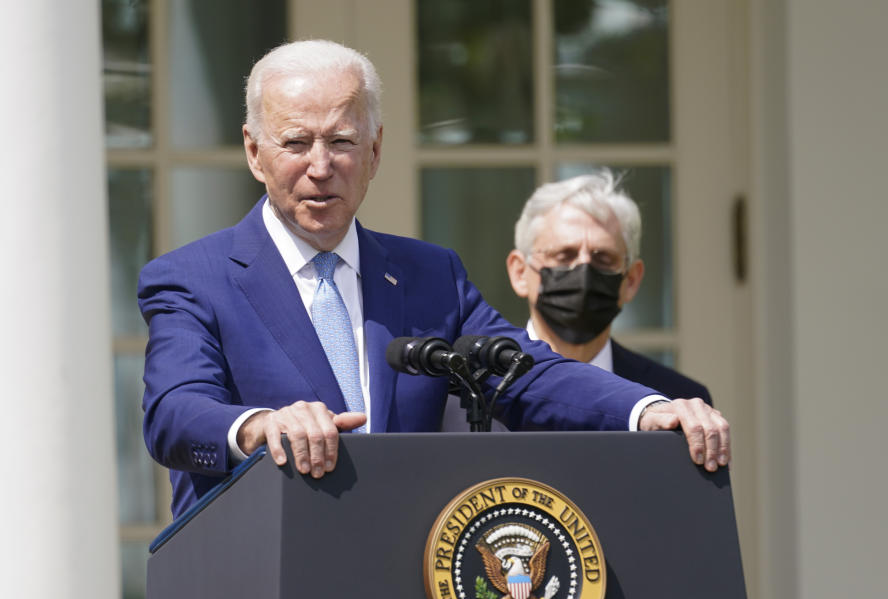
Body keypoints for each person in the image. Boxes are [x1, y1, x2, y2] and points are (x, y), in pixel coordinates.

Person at [138, 40, 730, 518]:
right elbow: (173, 412)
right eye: (296, 142)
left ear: (374, 153)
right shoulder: (193, 279)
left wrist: (647, 410)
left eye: (342, 142)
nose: (321, 167)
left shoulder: (428, 275)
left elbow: (527, 372)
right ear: (254, 152)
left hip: (402, 589)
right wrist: (260, 426)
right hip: (260, 589)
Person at [443, 170, 710, 431]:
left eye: (602, 259)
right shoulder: (463, 397)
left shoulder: (674, 400)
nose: (584, 272)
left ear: (630, 280)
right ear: (520, 272)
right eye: (563, 256)